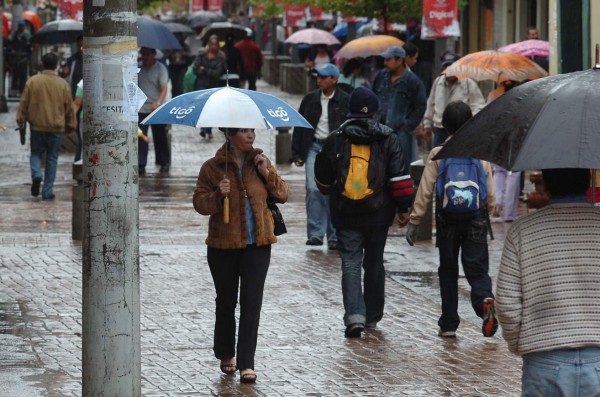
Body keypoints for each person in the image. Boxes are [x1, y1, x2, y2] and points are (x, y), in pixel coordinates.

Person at [314, 87, 414, 338]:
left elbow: (323, 184)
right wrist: (404, 208)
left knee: (350, 262)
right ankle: (372, 316)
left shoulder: (336, 137)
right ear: (375, 111)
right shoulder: (388, 137)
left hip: (345, 212)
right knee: (374, 263)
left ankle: (354, 317)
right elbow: (399, 177)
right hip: (379, 213)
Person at [193, 127, 288, 384]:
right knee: (226, 301)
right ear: (230, 135)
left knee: (251, 301)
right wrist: (217, 195)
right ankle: (226, 353)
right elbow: (200, 203)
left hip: (258, 244)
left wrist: (267, 174)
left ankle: (247, 363)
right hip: (222, 246)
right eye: (244, 132)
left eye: (252, 131)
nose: (250, 136)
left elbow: (282, 194)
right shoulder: (212, 167)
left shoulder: (261, 161)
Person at [496, 168, 600, 396]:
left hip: (543, 360)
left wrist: (522, 344)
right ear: (588, 183)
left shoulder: (523, 230)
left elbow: (506, 303)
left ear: (546, 184)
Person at [405, 101, 497, 338]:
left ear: (444, 126)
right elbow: (490, 190)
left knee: (447, 269)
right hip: (476, 216)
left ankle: (448, 323)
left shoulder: (438, 153)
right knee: (477, 268)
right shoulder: (480, 152)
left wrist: (415, 221)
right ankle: (484, 300)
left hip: (447, 218)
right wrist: (493, 209)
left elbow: (425, 189)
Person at [292, 63, 350, 250]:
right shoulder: (309, 99)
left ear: (334, 79)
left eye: (324, 77)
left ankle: (334, 235)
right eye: (318, 76)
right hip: (313, 147)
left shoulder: (345, 100)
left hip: (335, 150)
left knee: (334, 190)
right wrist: (296, 153)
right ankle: (316, 233)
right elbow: (300, 126)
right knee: (313, 188)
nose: (320, 80)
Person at [16, 52, 76, 200]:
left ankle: (37, 174)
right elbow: (69, 107)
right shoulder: (63, 84)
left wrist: (21, 119)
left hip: (37, 126)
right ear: (56, 65)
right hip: (56, 127)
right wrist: (71, 125)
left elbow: (23, 103)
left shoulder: (33, 82)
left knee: (36, 153)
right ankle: (47, 191)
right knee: (52, 158)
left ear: (42, 63)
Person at [372, 46, 426, 170]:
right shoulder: (381, 76)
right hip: (378, 128)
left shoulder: (413, 81)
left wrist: (407, 126)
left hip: (400, 131)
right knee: (378, 165)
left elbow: (420, 106)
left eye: (388, 60)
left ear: (399, 60)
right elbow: (373, 95)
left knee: (400, 166)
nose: (385, 63)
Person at [423, 52, 486, 148]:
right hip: (439, 129)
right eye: (447, 67)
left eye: (453, 67)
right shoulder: (438, 82)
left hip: (461, 130)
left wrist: (469, 120)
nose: (451, 70)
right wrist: (427, 124)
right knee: (437, 158)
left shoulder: (468, 83)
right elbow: (431, 104)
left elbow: (479, 106)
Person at [487, 80, 522, 222]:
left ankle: (497, 204)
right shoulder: (520, 94)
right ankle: (509, 213)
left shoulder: (492, 95)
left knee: (499, 171)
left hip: (496, 136)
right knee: (514, 173)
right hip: (513, 136)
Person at [138, 47, 170, 175]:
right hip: (141, 108)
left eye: (147, 54)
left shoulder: (161, 69)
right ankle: (140, 164)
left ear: (154, 55)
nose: (144, 57)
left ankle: (164, 162)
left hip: (156, 108)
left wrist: (158, 102)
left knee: (160, 137)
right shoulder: (138, 69)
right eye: (143, 54)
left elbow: (164, 88)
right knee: (141, 136)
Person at [192, 35, 226, 138]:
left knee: (210, 108)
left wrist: (205, 69)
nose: (214, 47)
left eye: (216, 44)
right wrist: (202, 70)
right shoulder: (202, 55)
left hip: (213, 85)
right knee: (202, 106)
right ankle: (204, 128)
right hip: (201, 84)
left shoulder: (220, 58)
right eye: (212, 44)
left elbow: (217, 73)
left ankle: (208, 129)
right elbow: (195, 69)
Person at [61, 35, 84, 162]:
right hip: (75, 98)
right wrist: (64, 72)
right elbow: (64, 74)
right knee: (78, 129)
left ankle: (79, 159)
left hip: (86, 99)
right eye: (79, 45)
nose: (81, 48)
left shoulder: (92, 59)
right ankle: (79, 159)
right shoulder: (72, 60)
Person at [8, 19, 32, 96]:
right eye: (20, 26)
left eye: (22, 26)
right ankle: (14, 91)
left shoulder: (27, 35)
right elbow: (10, 44)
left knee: (23, 76)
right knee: (15, 74)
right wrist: (12, 51)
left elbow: (30, 46)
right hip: (15, 57)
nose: (21, 27)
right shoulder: (14, 34)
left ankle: (22, 91)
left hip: (24, 57)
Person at [167, 33, 192, 98]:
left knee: (180, 84)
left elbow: (190, 55)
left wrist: (184, 54)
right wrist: (170, 52)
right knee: (174, 84)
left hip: (182, 67)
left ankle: (180, 97)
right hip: (173, 67)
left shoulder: (184, 46)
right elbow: (167, 55)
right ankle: (174, 97)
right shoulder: (171, 46)